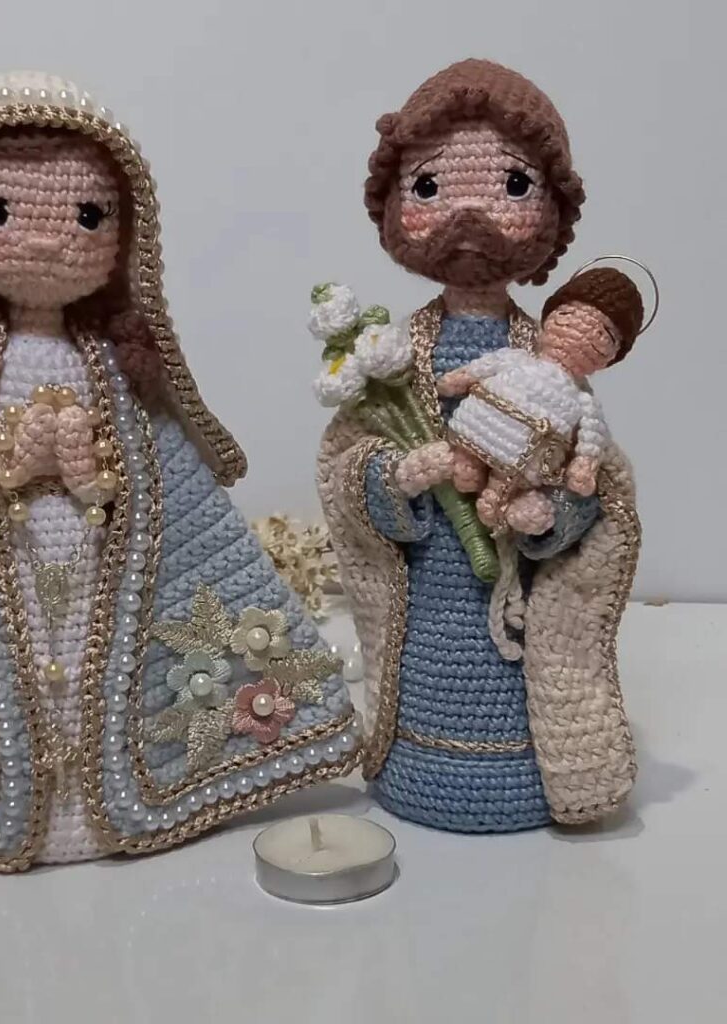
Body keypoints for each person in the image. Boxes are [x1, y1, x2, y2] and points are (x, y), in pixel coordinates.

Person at [0, 73, 356, 870]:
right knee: (3, 681)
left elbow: (163, 482)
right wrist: (9, 465)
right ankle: (11, 799)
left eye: (86, 216)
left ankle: (101, 800)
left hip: (93, 557)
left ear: (125, 232)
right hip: (2, 563)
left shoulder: (114, 369)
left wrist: (86, 467)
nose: (47, 242)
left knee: (96, 675)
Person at [317, 59, 640, 831]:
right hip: (426, 589)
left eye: (513, 185)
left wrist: (550, 515)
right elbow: (343, 467)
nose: (470, 212)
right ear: (395, 208)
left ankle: (531, 769)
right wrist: (397, 477)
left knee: (512, 672)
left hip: (514, 595)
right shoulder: (391, 356)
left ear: (552, 210)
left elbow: (597, 488)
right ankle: (417, 763)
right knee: (432, 674)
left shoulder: (551, 365)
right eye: (430, 186)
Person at [440, 267, 645, 534]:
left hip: (524, 455)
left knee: (501, 486)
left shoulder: (582, 401)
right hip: (480, 426)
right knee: (465, 464)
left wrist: (584, 464)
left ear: (611, 355)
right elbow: (489, 365)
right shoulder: (520, 359)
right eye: (567, 314)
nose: (579, 332)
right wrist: (460, 378)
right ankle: (469, 466)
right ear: (549, 317)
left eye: (603, 334)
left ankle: (497, 498)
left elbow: (592, 436)